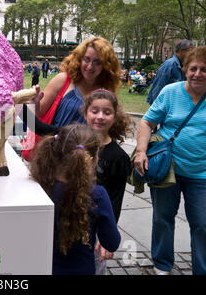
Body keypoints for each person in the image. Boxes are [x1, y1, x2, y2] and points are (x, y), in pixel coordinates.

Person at [134, 46, 206, 275]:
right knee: (163, 218)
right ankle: (162, 263)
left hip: (201, 173)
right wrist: (141, 152)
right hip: (168, 168)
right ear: (185, 70)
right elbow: (147, 122)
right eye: (193, 68)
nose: (198, 73)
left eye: (204, 69)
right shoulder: (171, 92)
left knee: (202, 223)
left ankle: (201, 268)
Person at [30, 124, 121, 275]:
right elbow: (112, 242)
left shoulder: (40, 187)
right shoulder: (96, 195)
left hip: (41, 267)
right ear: (92, 160)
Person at [82, 89, 134, 274]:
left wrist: (107, 237)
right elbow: (42, 128)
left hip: (96, 226)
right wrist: (28, 106)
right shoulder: (74, 142)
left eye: (107, 112)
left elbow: (115, 199)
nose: (100, 116)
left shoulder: (118, 157)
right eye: (94, 111)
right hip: (71, 221)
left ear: (115, 116)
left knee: (95, 267)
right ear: (86, 112)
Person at [30, 37, 121, 128]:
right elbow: (37, 115)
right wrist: (34, 104)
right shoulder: (63, 80)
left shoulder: (106, 91)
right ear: (79, 59)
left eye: (97, 62)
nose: (90, 67)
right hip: (55, 141)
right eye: (86, 59)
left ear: (106, 65)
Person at [146, 39, 194, 105]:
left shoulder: (184, 66)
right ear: (181, 51)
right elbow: (158, 89)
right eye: (190, 51)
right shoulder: (169, 65)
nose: (192, 55)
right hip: (164, 108)